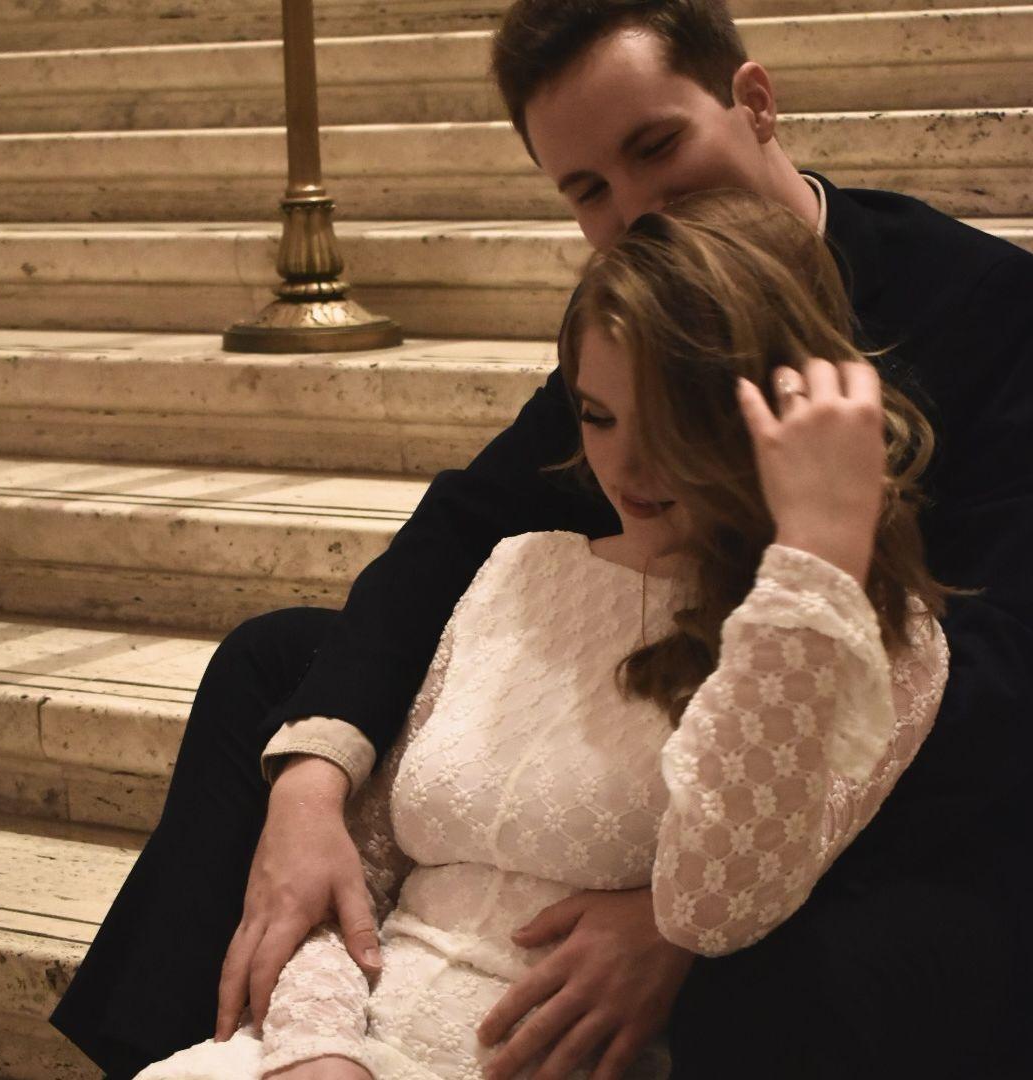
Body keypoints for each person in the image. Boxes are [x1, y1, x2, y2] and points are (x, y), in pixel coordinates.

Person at [52, 1, 1033, 1076]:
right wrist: (314, 782)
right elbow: (461, 530)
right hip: (671, 682)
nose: (637, 208)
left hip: (893, 772)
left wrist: (674, 916)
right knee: (274, 668)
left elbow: (1003, 669)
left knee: (819, 957)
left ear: (753, 102)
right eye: (589, 190)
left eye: (656, 147)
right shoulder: (638, 309)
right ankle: (184, 1049)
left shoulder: (989, 305)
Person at [130, 190, 950, 1080]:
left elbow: (714, 903)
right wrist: (318, 1052)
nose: (627, 466)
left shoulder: (865, 638)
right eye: (598, 416)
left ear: (773, 409)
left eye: (671, 421)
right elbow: (351, 881)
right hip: (336, 1049)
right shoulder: (519, 568)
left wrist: (813, 561)